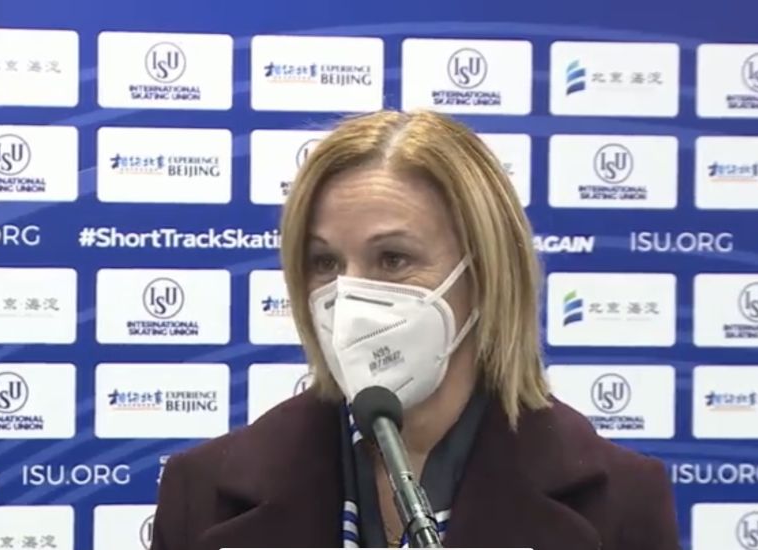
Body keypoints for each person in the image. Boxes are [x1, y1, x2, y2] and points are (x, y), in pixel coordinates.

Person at [151, 109, 681, 550]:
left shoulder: (619, 502)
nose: (350, 297)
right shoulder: (201, 492)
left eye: (393, 259)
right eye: (325, 263)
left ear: (485, 273)